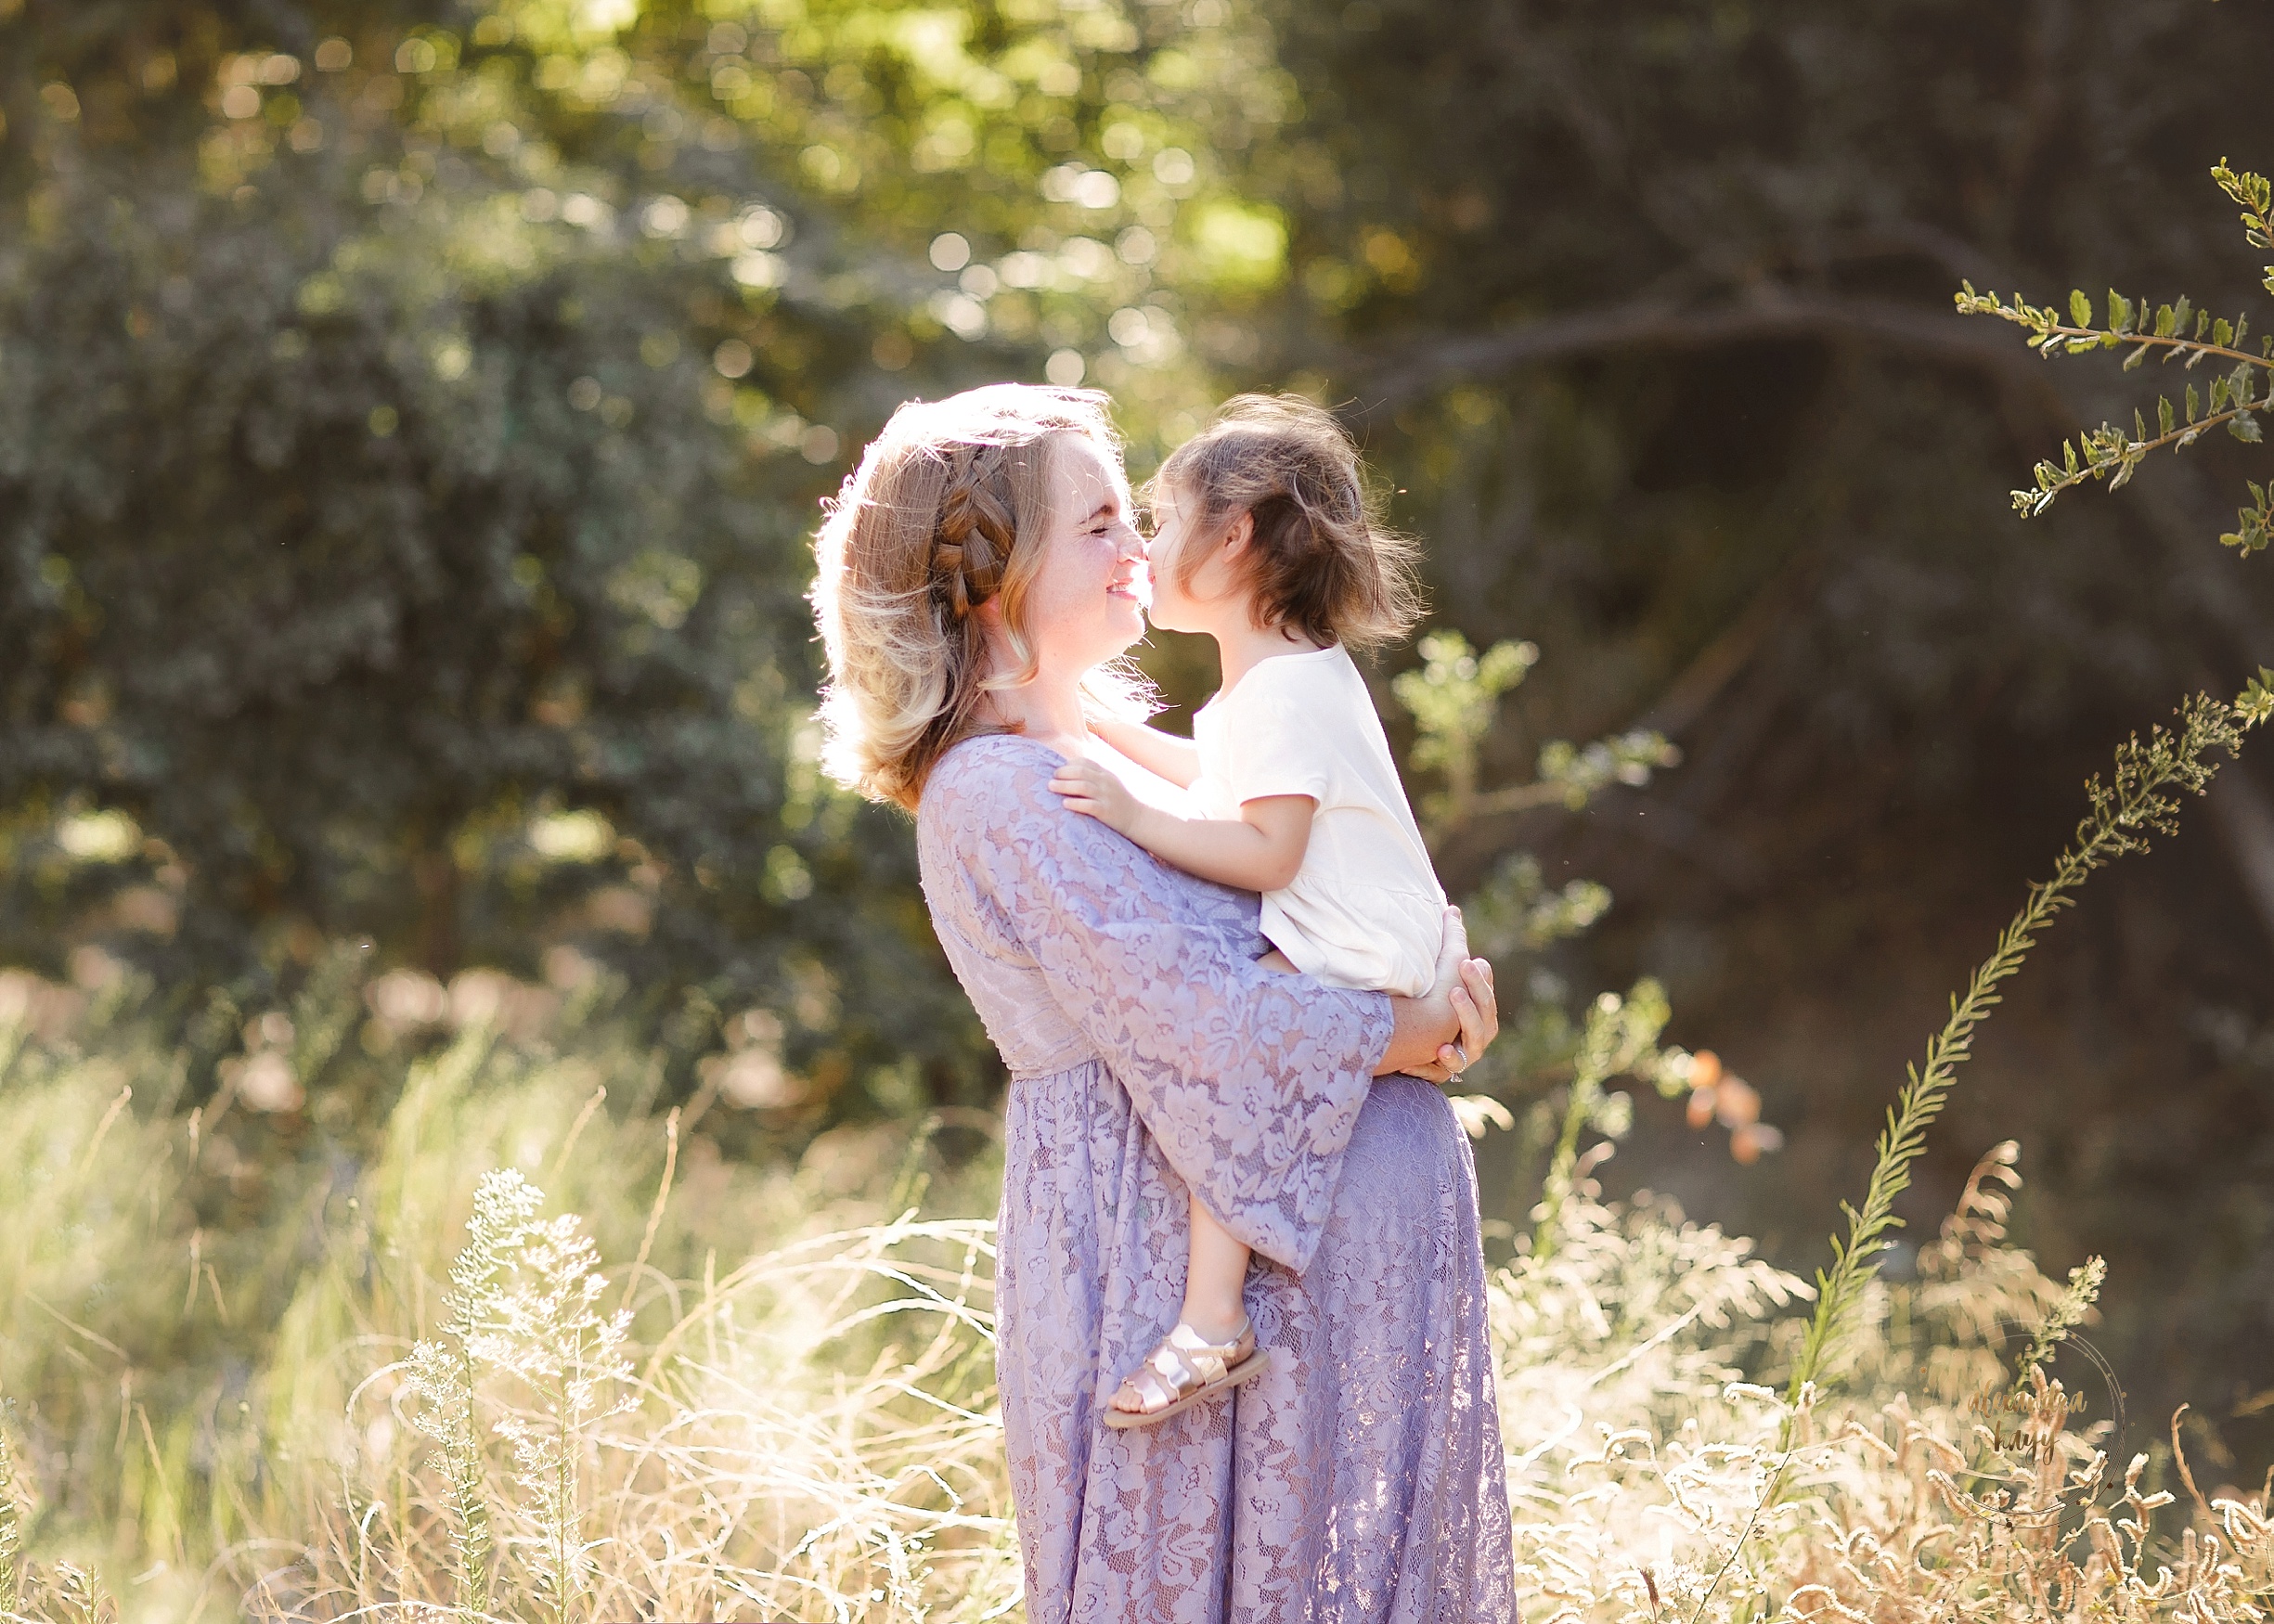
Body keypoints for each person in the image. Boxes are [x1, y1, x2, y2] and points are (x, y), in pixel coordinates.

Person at [810, 382, 1515, 1621]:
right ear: (994, 572)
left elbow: (1316, 895)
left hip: (1321, 1279)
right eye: (1095, 523)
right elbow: (1210, 1026)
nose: (1138, 548)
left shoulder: (1120, 757)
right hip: (1152, 1276)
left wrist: (1429, 980)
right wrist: (1407, 1033)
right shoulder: (999, 791)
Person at [1045, 394, 1448, 1429]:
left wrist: (1133, 815)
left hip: (1364, 934)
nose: (1142, 544)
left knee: (1236, 1037)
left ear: (1232, 540)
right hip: (1387, 924)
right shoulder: (1282, 679)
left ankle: (1210, 1318)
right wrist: (1093, 725)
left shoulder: (1279, 690)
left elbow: (1267, 848)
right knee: (1239, 1035)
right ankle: (1216, 1303)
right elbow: (1225, 787)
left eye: (1163, 521)